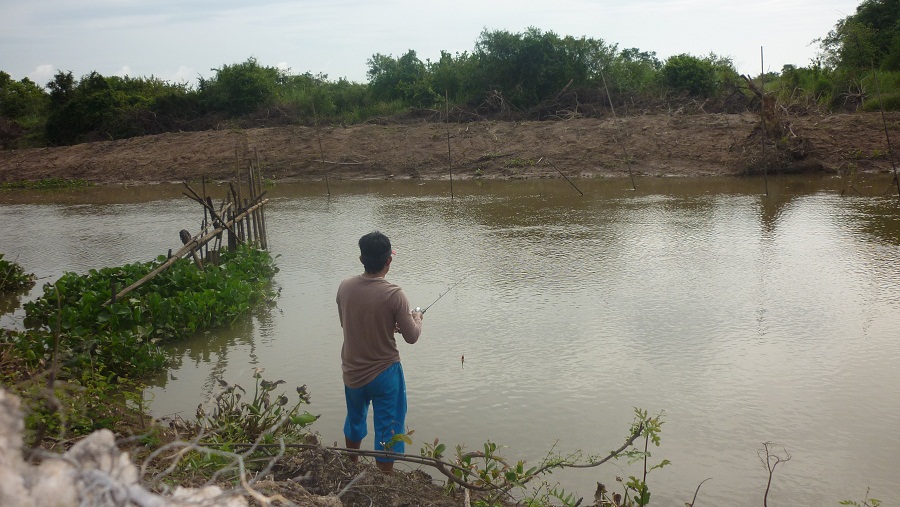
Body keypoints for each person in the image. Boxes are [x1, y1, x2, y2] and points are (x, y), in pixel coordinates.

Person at [336, 231, 423, 474]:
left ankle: (350, 469)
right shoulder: (395, 294)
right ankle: (384, 481)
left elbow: (349, 324)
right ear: (389, 261)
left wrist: (386, 325)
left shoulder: (345, 287)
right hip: (385, 373)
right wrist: (417, 318)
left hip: (352, 370)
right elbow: (412, 337)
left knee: (354, 420)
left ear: (362, 259)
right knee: (389, 428)